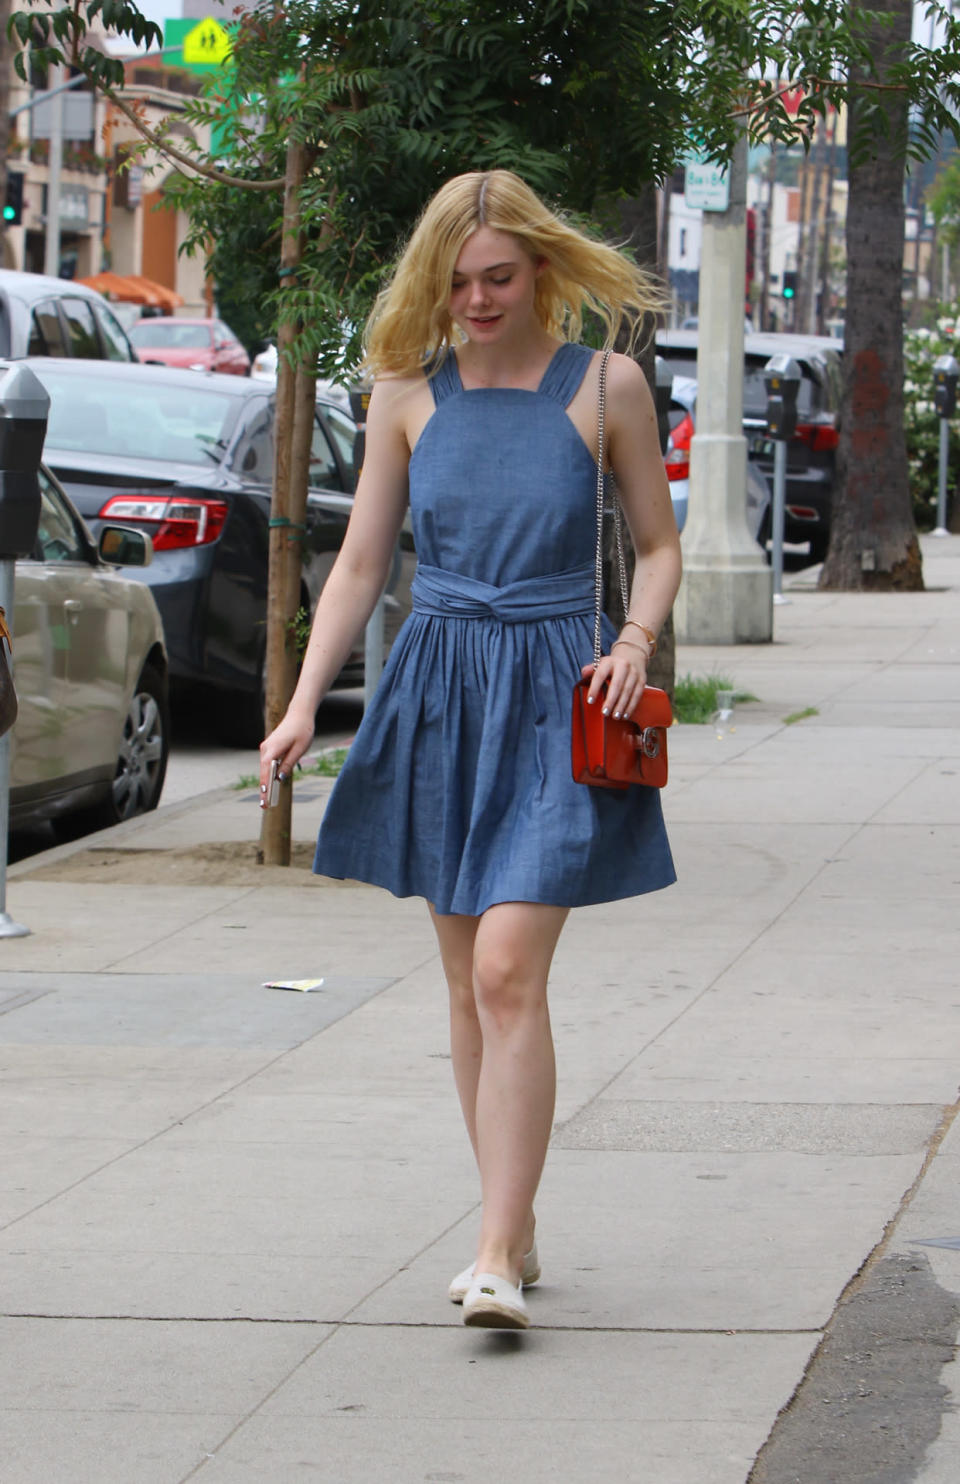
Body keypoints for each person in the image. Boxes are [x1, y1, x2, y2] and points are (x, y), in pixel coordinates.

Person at [259, 169, 682, 1331]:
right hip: (441, 685)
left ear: (543, 269)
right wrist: (303, 704)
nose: (479, 300)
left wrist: (637, 641)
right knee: (463, 983)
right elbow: (358, 566)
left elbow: (656, 545)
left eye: (498, 277)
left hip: (560, 687)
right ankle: (518, 1214)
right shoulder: (407, 392)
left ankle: (494, 1247)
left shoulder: (608, 387)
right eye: (458, 283)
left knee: (507, 970)